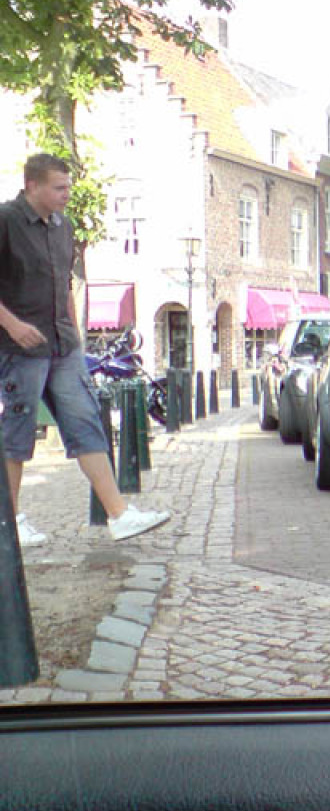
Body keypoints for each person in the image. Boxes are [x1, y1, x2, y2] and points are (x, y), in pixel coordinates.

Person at [0, 153, 169, 547]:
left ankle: (120, 515)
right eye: (59, 187)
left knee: (87, 422)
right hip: (18, 348)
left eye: (68, 186)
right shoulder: (5, 222)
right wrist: (11, 324)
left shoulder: (64, 227)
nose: (66, 194)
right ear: (32, 186)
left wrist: (75, 333)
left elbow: (66, 284)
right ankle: (9, 521)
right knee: (17, 433)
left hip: (63, 346)